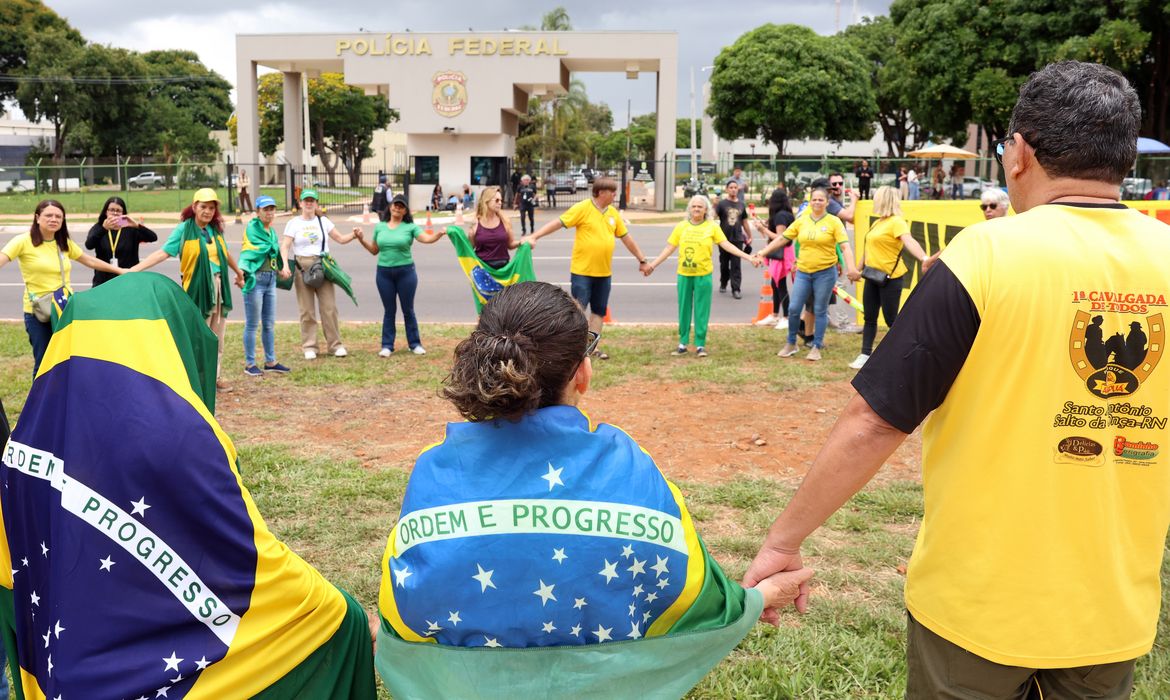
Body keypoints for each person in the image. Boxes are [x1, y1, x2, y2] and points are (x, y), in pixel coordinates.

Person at [745, 61, 1170, 698]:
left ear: (1019, 153)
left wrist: (783, 542)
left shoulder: (984, 254)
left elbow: (875, 420)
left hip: (977, 607)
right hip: (1113, 612)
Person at [373, 281, 812, 698]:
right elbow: (689, 594)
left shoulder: (434, 468)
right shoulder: (630, 466)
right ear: (582, 373)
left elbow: (403, 613)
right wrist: (759, 598)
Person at [0, 273, 376, 698]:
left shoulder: (23, 444)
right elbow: (247, 563)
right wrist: (338, 612)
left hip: (66, 663)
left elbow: (11, 575)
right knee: (341, 621)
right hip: (163, 667)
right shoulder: (186, 436)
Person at [131, 189, 245, 389]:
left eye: (211, 208)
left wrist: (238, 272)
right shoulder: (184, 230)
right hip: (197, 289)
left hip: (219, 286)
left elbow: (224, 253)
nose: (207, 211)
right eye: (203, 207)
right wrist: (134, 269)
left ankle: (214, 377)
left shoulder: (214, 230)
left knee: (217, 335)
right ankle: (193, 379)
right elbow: (163, 253)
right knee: (197, 335)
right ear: (194, 207)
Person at [529, 178, 652, 360]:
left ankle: (592, 348)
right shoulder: (583, 208)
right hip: (582, 272)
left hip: (604, 273)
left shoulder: (612, 213)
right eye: (612, 192)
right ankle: (574, 348)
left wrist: (642, 260)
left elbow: (626, 238)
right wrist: (535, 236)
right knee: (578, 311)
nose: (615, 195)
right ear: (601, 192)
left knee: (599, 311)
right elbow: (558, 222)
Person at [0, 200, 122, 375]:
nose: (54, 219)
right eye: (48, 215)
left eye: (58, 216)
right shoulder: (23, 241)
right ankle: (41, 393)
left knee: (67, 359)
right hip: (39, 312)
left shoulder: (63, 242)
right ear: (37, 218)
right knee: (44, 363)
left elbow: (89, 260)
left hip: (64, 309)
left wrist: (120, 271)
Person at [754, 187, 858, 361]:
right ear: (810, 202)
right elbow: (783, 238)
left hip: (825, 273)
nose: (817, 202)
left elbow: (845, 247)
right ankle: (791, 343)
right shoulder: (802, 221)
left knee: (819, 309)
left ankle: (816, 345)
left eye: (820, 199)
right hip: (803, 272)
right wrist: (762, 252)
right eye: (814, 199)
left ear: (827, 202)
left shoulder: (834, 222)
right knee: (794, 308)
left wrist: (852, 268)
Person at [646, 195, 757, 356]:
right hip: (684, 274)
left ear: (706, 210)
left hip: (703, 275)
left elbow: (726, 245)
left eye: (700, 207)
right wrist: (652, 265)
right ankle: (682, 343)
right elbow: (669, 248)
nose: (696, 209)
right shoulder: (682, 226)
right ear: (689, 209)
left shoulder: (712, 227)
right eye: (694, 206)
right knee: (684, 309)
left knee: (702, 310)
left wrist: (748, 257)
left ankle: (700, 344)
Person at [844, 186, 929, 370]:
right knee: (870, 317)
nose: (874, 200)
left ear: (883, 200)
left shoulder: (896, 222)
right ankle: (865, 354)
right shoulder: (878, 222)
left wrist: (924, 258)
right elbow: (868, 250)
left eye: (876, 197)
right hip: (872, 276)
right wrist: (857, 270)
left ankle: (907, 353)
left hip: (891, 278)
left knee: (891, 320)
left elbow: (909, 241)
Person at [354, 193, 445, 356]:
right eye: (395, 204)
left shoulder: (410, 227)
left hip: (406, 273)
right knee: (389, 310)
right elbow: (374, 250)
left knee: (408, 309)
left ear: (405, 211)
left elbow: (426, 238)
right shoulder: (380, 227)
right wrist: (361, 239)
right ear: (390, 207)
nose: (397, 208)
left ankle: (414, 344)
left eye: (401, 206)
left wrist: (439, 234)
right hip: (384, 274)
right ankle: (387, 345)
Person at [279, 188, 360, 360]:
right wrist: (285, 264)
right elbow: (285, 246)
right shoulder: (293, 223)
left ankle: (335, 345)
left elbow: (340, 238)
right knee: (306, 310)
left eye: (312, 200)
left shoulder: (323, 222)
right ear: (300, 203)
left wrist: (354, 235)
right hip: (302, 267)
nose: (309, 203)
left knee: (329, 308)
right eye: (306, 200)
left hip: (322, 266)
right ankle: (310, 346)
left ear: (316, 204)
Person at [239, 195, 292, 377]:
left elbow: (272, 255)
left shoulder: (272, 232)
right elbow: (250, 253)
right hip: (255, 280)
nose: (269, 213)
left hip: (270, 280)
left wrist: (280, 269)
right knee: (252, 324)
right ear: (258, 212)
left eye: (272, 209)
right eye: (265, 209)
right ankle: (250, 363)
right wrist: (241, 274)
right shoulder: (253, 229)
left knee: (269, 324)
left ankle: (271, 361)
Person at [84, 196, 157, 287]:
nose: (115, 213)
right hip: (103, 281)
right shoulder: (100, 227)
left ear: (123, 213)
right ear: (106, 212)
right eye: (112, 210)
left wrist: (137, 225)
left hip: (127, 279)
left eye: (118, 211)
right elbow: (89, 245)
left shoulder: (129, 228)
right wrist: (103, 229)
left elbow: (153, 237)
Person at [751, 188, 796, 330]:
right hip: (784, 252)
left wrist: (764, 230)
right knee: (774, 284)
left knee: (780, 285)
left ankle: (786, 317)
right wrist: (764, 226)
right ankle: (775, 315)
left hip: (782, 253)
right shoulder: (786, 214)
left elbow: (780, 237)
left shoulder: (781, 216)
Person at [714, 180, 753, 299]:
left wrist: (749, 235)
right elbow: (712, 217)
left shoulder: (741, 204)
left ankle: (736, 289)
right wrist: (714, 205)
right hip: (723, 239)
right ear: (727, 189)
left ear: (738, 189)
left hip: (738, 239)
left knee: (736, 265)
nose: (733, 189)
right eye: (731, 187)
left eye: (735, 187)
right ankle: (723, 282)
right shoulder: (722, 204)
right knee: (724, 264)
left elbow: (744, 221)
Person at [468, 185, 518, 269]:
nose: (500, 203)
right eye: (497, 200)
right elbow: (469, 249)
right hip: (482, 269)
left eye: (501, 200)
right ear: (486, 201)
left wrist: (521, 243)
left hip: (503, 270)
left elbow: (510, 244)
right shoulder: (475, 224)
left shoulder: (505, 221)